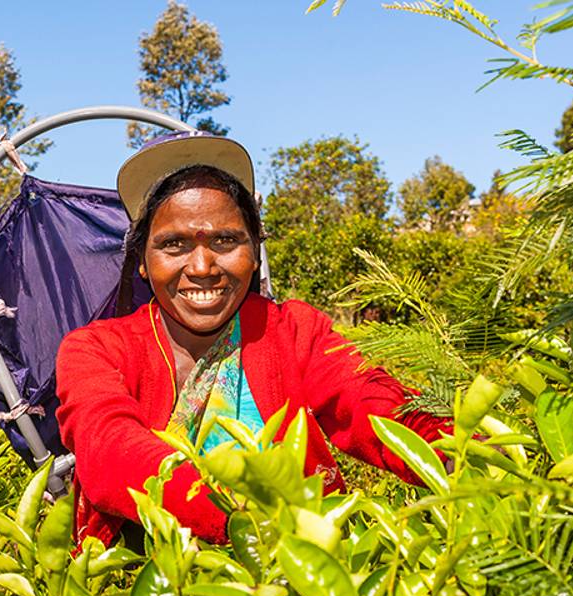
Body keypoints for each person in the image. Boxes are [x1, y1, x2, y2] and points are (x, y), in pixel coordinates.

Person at [54, 131, 451, 548]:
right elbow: (110, 452)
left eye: (226, 241)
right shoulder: (95, 349)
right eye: (174, 244)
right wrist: (246, 520)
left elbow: (375, 405)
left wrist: (476, 457)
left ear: (254, 251)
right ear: (142, 263)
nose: (203, 266)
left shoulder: (294, 332)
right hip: (150, 584)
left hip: (306, 570)